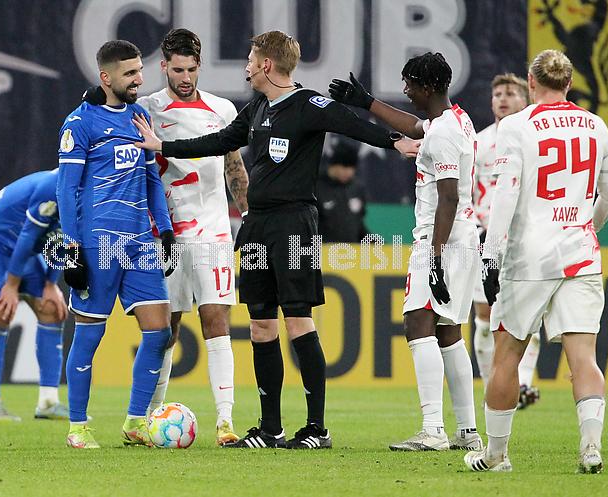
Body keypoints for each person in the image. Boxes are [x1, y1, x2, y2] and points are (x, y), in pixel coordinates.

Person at [131, 30, 420, 449]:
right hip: (257, 226)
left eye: (251, 60)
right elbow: (218, 142)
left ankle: (316, 429)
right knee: (261, 323)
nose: (246, 67)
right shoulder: (257, 108)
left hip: (294, 224)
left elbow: (354, 126)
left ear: (266, 65)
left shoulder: (309, 104)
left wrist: (397, 142)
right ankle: (271, 429)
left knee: (298, 320)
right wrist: (164, 145)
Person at [84, 28, 250, 445]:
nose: (185, 77)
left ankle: (225, 422)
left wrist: (247, 215)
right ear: (164, 67)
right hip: (165, 234)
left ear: (200, 66)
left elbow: (234, 167)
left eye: (192, 69)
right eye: (177, 70)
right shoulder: (146, 109)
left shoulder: (223, 109)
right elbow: (106, 114)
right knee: (166, 328)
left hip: (213, 230)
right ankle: (145, 419)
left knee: (216, 320)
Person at [465, 49, 608, 473]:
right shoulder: (595, 125)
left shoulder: (516, 126)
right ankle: (591, 448)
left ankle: (496, 455)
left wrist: (491, 255)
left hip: (528, 257)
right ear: (569, 84)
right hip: (580, 254)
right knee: (584, 357)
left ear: (531, 83)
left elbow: (505, 195)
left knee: (506, 355)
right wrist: (587, 227)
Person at [329, 53, 482, 452]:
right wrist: (367, 102)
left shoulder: (444, 133)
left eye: (410, 84)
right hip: (463, 238)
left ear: (427, 87)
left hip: (440, 238)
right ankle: (467, 431)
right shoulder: (455, 120)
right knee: (449, 331)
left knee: (418, 323)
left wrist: (435, 257)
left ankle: (433, 429)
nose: (406, 90)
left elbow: (448, 197)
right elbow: (414, 126)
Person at [57, 40, 175, 449]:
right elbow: (66, 190)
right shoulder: (80, 123)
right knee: (89, 336)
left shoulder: (140, 117)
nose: (139, 79)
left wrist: (165, 230)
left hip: (140, 242)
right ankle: (77, 426)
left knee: (159, 332)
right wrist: (71, 249)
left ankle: (135, 422)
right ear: (106, 77)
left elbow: (151, 179)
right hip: (98, 244)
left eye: (139, 70)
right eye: (130, 73)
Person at [0, 169, 69, 422]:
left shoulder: (91, 188)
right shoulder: (53, 185)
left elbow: (66, 238)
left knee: (51, 309)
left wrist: (51, 283)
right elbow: (29, 235)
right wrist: (11, 285)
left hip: (22, 246)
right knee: (1, 312)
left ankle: (48, 402)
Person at [472, 73, 542, 408]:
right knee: (485, 317)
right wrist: (476, 228)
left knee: (527, 314)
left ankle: (523, 383)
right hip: (485, 238)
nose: (502, 98)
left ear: (525, 99)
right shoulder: (479, 143)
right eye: (497, 93)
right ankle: (493, 387)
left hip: (525, 238)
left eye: (511, 93)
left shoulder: (535, 139)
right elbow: (465, 192)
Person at [316, 139, 370, 243]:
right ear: (333, 165)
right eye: (344, 167)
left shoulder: (356, 189)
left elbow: (358, 226)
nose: (349, 172)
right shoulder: (315, 187)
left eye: (352, 167)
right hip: (322, 250)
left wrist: (379, 245)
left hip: (350, 251)